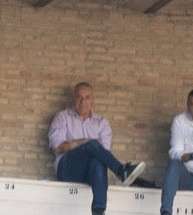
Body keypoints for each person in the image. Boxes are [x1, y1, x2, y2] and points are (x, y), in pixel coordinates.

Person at [47, 82, 145, 215]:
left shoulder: (102, 123)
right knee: (93, 144)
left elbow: (103, 154)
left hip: (90, 172)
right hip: (67, 169)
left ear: (92, 100)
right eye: (79, 97)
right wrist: (86, 141)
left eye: (87, 97)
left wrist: (73, 144)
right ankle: (121, 171)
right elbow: (58, 148)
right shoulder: (62, 118)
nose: (83, 101)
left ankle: (98, 210)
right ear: (73, 99)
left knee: (98, 161)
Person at [159, 87, 193, 215]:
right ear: (187, 105)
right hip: (187, 177)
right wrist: (192, 156)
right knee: (174, 164)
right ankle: (166, 212)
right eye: (192, 105)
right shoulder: (180, 121)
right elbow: (174, 152)